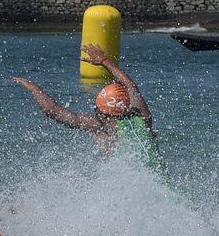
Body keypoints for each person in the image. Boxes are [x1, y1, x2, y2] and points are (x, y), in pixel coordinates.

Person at [13, 44, 163, 175]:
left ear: (101, 112)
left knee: (100, 138)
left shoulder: (102, 125)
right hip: (163, 191)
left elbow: (53, 111)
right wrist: (105, 61)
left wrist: (33, 88)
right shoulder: (144, 119)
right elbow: (131, 87)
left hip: (127, 192)